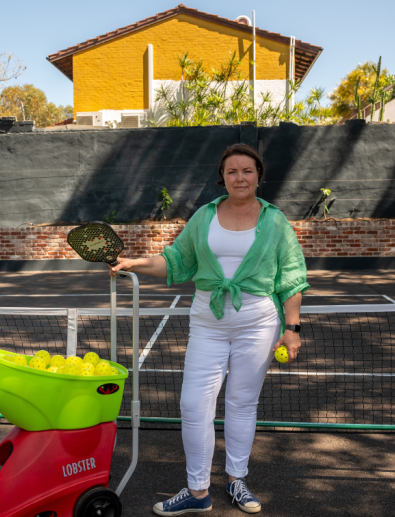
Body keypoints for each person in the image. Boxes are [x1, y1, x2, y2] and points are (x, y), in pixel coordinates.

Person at [109, 143, 309, 515]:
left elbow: (292, 277)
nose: (239, 177)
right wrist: (133, 263)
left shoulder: (276, 221)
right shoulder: (204, 215)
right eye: (232, 171)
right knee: (193, 405)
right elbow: (175, 261)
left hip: (259, 323)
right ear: (223, 177)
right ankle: (197, 490)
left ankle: (237, 480)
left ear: (258, 176)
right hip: (207, 321)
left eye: (247, 171)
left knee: (241, 403)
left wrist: (293, 328)